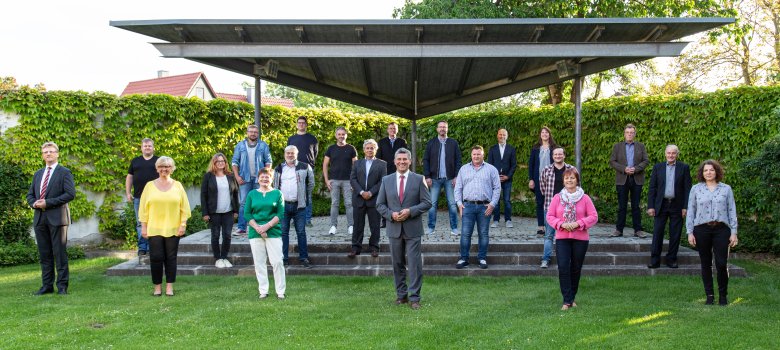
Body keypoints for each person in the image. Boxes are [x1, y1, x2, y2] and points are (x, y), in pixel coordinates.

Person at [376, 148, 432, 310]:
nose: (402, 162)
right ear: (394, 161)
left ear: (410, 161)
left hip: (413, 228)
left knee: (414, 264)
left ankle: (415, 298)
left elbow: (427, 203)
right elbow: (379, 204)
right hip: (394, 228)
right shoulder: (386, 180)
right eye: (399, 159)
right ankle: (401, 296)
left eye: (405, 159)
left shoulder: (419, 179)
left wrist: (410, 211)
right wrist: (391, 215)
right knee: (397, 263)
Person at [26, 142, 76, 296]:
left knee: (59, 253)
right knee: (44, 254)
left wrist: (48, 203)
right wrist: (34, 203)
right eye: (45, 152)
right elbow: (30, 195)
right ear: (42, 155)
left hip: (58, 218)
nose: (48, 154)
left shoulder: (64, 172)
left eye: (51, 151)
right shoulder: (38, 174)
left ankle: (62, 286)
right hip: (40, 219)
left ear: (57, 154)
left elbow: (70, 194)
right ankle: (46, 285)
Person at [687, 160, 738, 306]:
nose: (708, 172)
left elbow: (731, 211)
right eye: (705, 170)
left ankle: (723, 296)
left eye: (711, 170)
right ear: (702, 173)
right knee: (706, 263)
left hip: (722, 229)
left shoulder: (726, 189)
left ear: (717, 171)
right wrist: (690, 232)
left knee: (721, 263)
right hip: (701, 229)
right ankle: (709, 295)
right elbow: (691, 211)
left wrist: (733, 232)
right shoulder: (696, 189)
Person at [546, 168, 598, 310]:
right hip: (562, 238)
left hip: (580, 239)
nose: (569, 180)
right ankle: (566, 300)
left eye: (572, 178)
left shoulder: (585, 198)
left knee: (575, 268)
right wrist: (561, 224)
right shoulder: (557, 198)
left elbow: (594, 216)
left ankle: (571, 297)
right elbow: (549, 216)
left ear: (577, 180)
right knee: (563, 267)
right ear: (563, 181)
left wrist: (578, 224)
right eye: (567, 178)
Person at [139, 156, 191, 297]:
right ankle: (157, 287)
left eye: (167, 166)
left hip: (173, 228)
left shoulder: (178, 185)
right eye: (161, 166)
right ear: (157, 168)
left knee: (171, 258)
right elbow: (143, 209)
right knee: (156, 257)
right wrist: (143, 227)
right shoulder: (149, 186)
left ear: (172, 169)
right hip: (154, 228)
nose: (164, 169)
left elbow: (184, 208)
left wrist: (183, 224)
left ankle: (169, 287)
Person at [454, 146, 501, 270]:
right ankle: (464, 259)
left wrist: (492, 204)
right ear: (471, 155)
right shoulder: (463, 169)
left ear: (483, 155)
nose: (476, 156)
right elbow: (458, 188)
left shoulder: (491, 169)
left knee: (483, 234)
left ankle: (482, 258)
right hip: (467, 206)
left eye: (478, 154)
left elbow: (497, 188)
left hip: (484, 207)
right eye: (474, 154)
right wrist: (459, 204)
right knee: (465, 234)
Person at [646, 145, 692, 269]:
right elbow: (652, 188)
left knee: (675, 233)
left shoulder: (684, 168)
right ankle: (654, 260)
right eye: (669, 153)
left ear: (677, 154)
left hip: (677, 205)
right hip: (661, 205)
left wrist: (685, 207)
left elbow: (688, 189)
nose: (671, 155)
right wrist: (651, 206)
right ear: (665, 153)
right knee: (657, 233)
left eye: (673, 153)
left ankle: (671, 259)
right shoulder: (658, 167)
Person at [245, 168, 286, 299]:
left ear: (272, 179)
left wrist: (266, 226)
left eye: (267, 177)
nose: (264, 179)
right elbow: (247, 213)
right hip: (255, 232)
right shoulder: (252, 194)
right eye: (262, 177)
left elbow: (280, 213)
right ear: (258, 179)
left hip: (273, 231)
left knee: (277, 261)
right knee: (259, 262)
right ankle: (263, 290)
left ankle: (280, 291)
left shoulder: (278, 193)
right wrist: (258, 228)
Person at [273, 145, 315, 268]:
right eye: (288, 153)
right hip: (283, 205)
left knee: (301, 232)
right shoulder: (279, 168)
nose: (290, 155)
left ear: (297, 154)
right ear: (284, 154)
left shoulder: (305, 166)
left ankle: (304, 258)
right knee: (283, 232)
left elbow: (311, 184)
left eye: (292, 153)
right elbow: (275, 186)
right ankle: (284, 258)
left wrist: (304, 196)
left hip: (299, 206)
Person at [609, 123, 649, 238]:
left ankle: (638, 230)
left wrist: (636, 169)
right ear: (624, 134)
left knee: (636, 206)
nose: (629, 134)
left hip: (637, 179)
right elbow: (612, 161)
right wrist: (624, 169)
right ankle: (619, 230)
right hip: (622, 179)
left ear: (635, 134)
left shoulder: (641, 146)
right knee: (622, 206)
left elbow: (646, 161)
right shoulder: (617, 146)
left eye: (632, 133)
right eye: (627, 132)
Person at [232, 124, 273, 235]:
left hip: (259, 180)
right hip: (244, 179)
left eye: (255, 132)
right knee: (244, 203)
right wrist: (237, 176)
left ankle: (262, 226)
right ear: (247, 133)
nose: (253, 133)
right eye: (251, 131)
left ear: (258, 133)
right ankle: (242, 228)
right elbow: (234, 162)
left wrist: (265, 177)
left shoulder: (263, 145)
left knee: (261, 202)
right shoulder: (240, 146)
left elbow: (268, 162)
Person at [349, 139, 387, 258]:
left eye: (372, 148)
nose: (370, 150)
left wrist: (370, 192)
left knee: (375, 225)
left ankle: (374, 248)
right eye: (367, 148)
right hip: (359, 198)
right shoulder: (357, 163)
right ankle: (355, 248)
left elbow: (383, 181)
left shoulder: (382, 164)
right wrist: (361, 192)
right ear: (364, 149)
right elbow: (353, 179)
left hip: (374, 198)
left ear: (376, 149)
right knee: (357, 225)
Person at [200, 153, 240, 269]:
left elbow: (235, 194)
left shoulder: (231, 176)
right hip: (214, 212)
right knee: (215, 235)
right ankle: (218, 258)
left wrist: (236, 210)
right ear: (214, 163)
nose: (221, 163)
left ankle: (224, 257)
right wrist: (205, 213)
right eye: (218, 161)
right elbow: (203, 195)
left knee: (227, 236)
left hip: (228, 211)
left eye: (223, 161)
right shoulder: (208, 176)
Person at [422, 120, 461, 236]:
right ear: (437, 129)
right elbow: (425, 160)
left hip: (450, 179)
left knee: (452, 204)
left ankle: (454, 228)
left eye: (444, 127)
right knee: (432, 204)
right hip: (434, 179)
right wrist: (427, 176)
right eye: (440, 127)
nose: (442, 129)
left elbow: (458, 160)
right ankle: (430, 228)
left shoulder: (453, 143)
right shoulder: (431, 143)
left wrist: (456, 176)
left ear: (447, 129)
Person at [539, 147, 574, 269]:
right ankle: (545, 259)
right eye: (555, 154)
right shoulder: (546, 170)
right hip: (550, 207)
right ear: (552, 156)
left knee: (567, 236)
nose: (558, 156)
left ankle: (566, 260)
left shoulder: (572, 170)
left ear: (564, 155)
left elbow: (577, 187)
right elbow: (542, 188)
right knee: (549, 235)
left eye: (560, 154)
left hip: (568, 209)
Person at [125, 138, 159, 256]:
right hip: (138, 197)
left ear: (153, 147)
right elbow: (129, 177)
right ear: (141, 148)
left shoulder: (158, 161)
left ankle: (151, 247)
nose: (147, 148)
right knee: (140, 223)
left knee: (153, 222)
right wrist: (128, 193)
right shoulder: (135, 161)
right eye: (145, 146)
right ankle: (142, 248)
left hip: (155, 198)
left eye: (149, 146)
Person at [322, 126, 357, 235]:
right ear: (336, 135)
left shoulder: (351, 148)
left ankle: (351, 226)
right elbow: (325, 165)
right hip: (334, 181)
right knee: (334, 204)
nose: (341, 136)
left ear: (346, 135)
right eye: (339, 134)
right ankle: (333, 226)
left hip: (348, 181)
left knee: (349, 204)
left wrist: (354, 182)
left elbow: (356, 166)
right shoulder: (331, 148)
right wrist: (327, 180)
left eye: (343, 134)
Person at [287, 116, 318, 227]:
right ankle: (294, 219)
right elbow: (288, 153)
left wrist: (311, 165)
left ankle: (307, 219)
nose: (301, 124)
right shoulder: (291, 139)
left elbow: (315, 153)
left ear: (306, 125)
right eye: (299, 123)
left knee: (307, 195)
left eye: (303, 123)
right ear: (297, 124)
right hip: (293, 169)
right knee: (294, 193)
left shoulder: (312, 138)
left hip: (307, 169)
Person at [376, 122, 407, 228]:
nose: (392, 130)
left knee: (398, 196)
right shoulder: (381, 142)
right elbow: (378, 159)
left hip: (399, 172)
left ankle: (399, 216)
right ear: (387, 130)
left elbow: (405, 157)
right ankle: (385, 219)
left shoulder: (402, 142)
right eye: (390, 128)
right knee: (385, 197)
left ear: (397, 130)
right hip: (385, 173)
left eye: (394, 128)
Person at [528, 127, 557, 236]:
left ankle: (551, 225)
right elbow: (531, 165)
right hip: (538, 179)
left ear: (549, 134)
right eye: (542, 132)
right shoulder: (536, 148)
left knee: (552, 203)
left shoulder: (554, 147)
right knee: (540, 203)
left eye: (546, 132)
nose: (544, 134)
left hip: (551, 179)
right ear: (540, 135)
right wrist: (531, 179)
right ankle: (541, 227)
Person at [487, 128, 517, 228]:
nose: (502, 136)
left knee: (507, 200)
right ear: (497, 135)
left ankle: (508, 220)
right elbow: (490, 165)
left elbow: (514, 165)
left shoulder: (511, 149)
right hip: (495, 180)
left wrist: (508, 176)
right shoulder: (492, 149)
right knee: (496, 200)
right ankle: (496, 220)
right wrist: (495, 177)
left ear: (507, 136)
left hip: (507, 179)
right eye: (500, 134)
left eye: (504, 135)